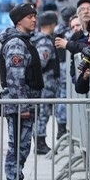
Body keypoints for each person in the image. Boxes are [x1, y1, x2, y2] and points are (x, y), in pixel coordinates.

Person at [0, 3, 43, 180]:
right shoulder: (17, 43)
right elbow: (15, 78)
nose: (34, 19)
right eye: (30, 16)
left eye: (35, 16)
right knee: (18, 148)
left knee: (21, 148)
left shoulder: (23, 41)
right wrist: (23, 106)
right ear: (19, 21)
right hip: (20, 107)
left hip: (24, 105)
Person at [31, 11, 59, 155]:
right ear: (51, 24)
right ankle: (40, 143)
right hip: (45, 85)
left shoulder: (38, 39)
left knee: (43, 113)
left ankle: (41, 142)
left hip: (46, 84)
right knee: (42, 113)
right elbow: (41, 62)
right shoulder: (44, 41)